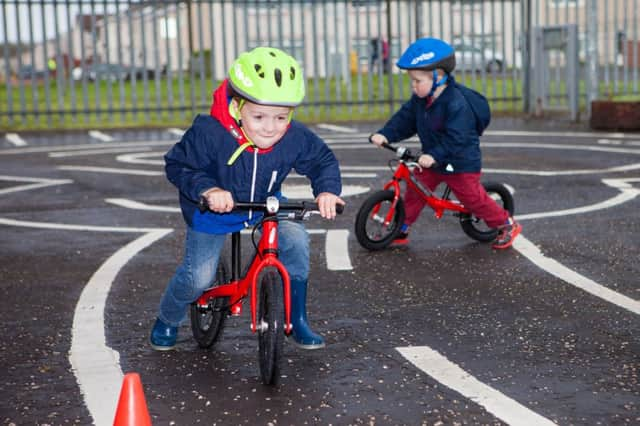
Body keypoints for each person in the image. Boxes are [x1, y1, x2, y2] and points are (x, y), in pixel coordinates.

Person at [150, 47, 345, 351]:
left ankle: (297, 319)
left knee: (295, 241)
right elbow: (179, 164)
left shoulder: (293, 136)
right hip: (213, 210)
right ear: (236, 107)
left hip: (265, 206)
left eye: (281, 117)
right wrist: (208, 190)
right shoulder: (210, 132)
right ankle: (167, 318)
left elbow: (322, 160)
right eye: (259, 116)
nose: (270, 127)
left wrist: (327, 190)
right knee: (198, 277)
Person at [369, 38, 521, 249]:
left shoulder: (456, 103)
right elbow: (405, 120)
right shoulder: (421, 100)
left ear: (437, 77)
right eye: (412, 81)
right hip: (433, 159)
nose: (413, 86)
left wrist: (435, 155)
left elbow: (457, 138)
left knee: (472, 199)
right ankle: (401, 228)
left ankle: (506, 224)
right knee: (415, 189)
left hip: (460, 162)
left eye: (417, 81)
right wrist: (385, 134)